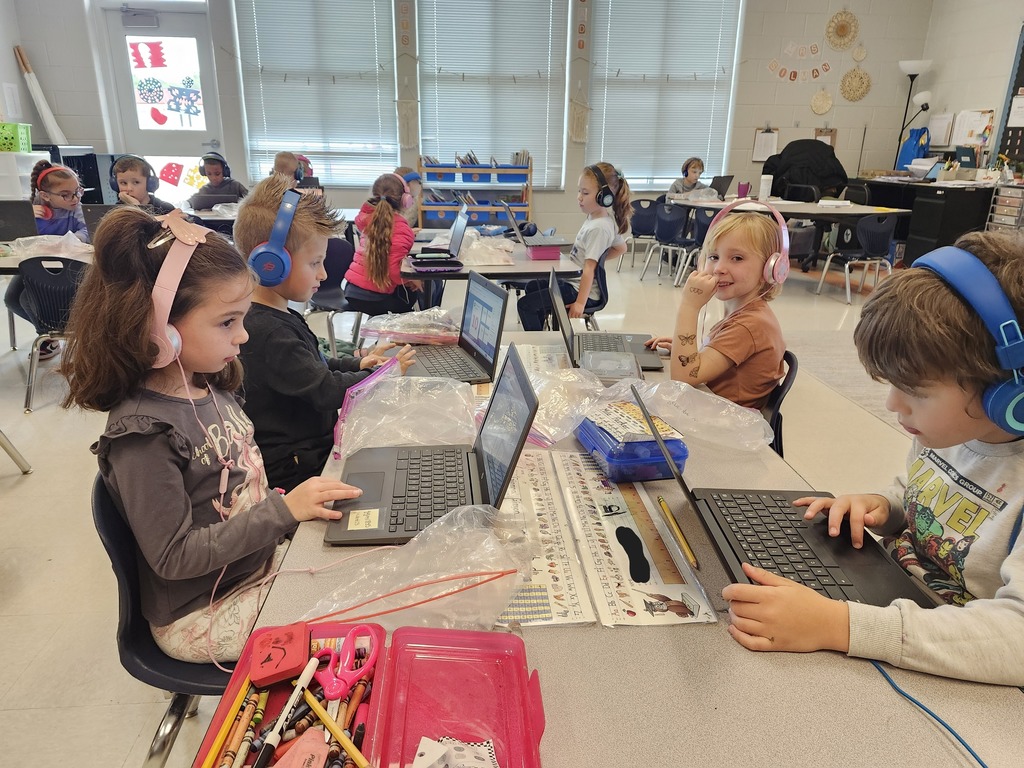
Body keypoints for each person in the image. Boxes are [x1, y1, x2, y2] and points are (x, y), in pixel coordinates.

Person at [59, 206, 363, 662]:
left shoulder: (206, 382)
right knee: (368, 622)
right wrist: (283, 513)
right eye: (226, 322)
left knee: (371, 566)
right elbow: (174, 556)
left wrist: (281, 512)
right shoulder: (143, 434)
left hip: (253, 565)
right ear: (159, 330)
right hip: (202, 613)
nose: (243, 337)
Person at [723, 231, 1024, 687]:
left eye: (916, 392)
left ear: (1009, 395)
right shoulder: (947, 430)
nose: (892, 405)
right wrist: (885, 507)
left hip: (951, 654)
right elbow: (921, 492)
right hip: (890, 602)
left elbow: (1014, 637)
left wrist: (838, 625)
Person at [234, 175, 416, 492]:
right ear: (270, 264)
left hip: (312, 454)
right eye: (315, 262)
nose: (324, 274)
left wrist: (359, 364)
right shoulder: (269, 332)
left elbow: (316, 364)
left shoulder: (278, 315)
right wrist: (386, 375)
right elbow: (326, 390)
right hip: (299, 476)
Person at [645, 209, 785, 409]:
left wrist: (689, 306)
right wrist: (684, 348)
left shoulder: (750, 325)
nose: (719, 268)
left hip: (723, 426)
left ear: (770, 268)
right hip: (713, 409)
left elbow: (683, 379)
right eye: (713, 257)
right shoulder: (746, 313)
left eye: (737, 258)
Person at [516, 162, 631, 331]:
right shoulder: (596, 218)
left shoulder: (599, 227)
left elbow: (589, 269)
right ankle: (544, 334)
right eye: (579, 191)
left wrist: (580, 303)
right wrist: (599, 259)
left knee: (525, 306)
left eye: (585, 193)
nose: (579, 197)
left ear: (604, 196)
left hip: (579, 291)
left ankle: (538, 342)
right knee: (532, 286)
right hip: (573, 282)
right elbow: (621, 248)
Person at [3, 161, 89, 360]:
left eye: (78, 191)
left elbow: (87, 230)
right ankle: (49, 337)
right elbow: (16, 235)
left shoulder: (76, 209)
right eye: (66, 194)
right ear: (45, 196)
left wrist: (72, 239)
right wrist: (27, 217)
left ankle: (52, 337)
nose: (74, 198)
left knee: (27, 300)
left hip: (67, 267)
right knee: (12, 300)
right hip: (34, 265)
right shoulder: (34, 209)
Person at [343, 173, 422, 314]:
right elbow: (394, 271)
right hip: (375, 299)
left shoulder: (368, 219)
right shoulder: (401, 228)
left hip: (353, 291)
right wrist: (411, 279)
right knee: (414, 294)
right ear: (406, 200)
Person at [111, 154, 175, 216]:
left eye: (136, 182)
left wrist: (137, 207)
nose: (129, 188)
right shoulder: (115, 212)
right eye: (123, 183)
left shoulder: (166, 209)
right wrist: (135, 205)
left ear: (149, 184)